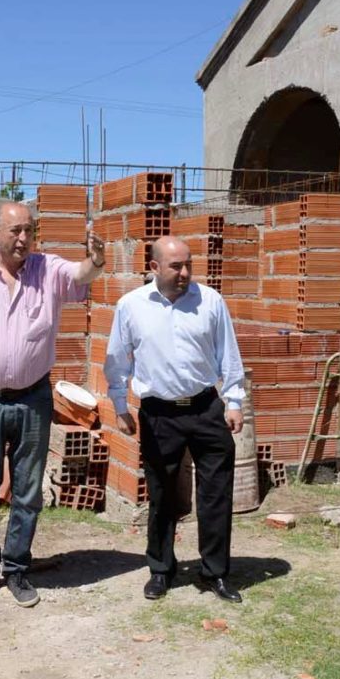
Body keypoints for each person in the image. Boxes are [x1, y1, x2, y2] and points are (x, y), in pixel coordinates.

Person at [0, 202, 107, 608]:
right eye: (15, 231)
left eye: (29, 230)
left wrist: (95, 260)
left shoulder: (49, 270)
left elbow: (81, 274)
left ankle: (16, 569)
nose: (23, 239)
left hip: (33, 398)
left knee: (27, 492)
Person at [105, 235, 245, 604]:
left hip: (205, 408)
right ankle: (161, 570)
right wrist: (120, 406)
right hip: (159, 414)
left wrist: (234, 402)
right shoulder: (131, 306)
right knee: (162, 495)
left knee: (216, 493)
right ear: (154, 267)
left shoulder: (210, 301)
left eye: (188, 265)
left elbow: (228, 354)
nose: (184, 273)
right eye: (175, 266)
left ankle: (214, 572)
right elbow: (117, 360)